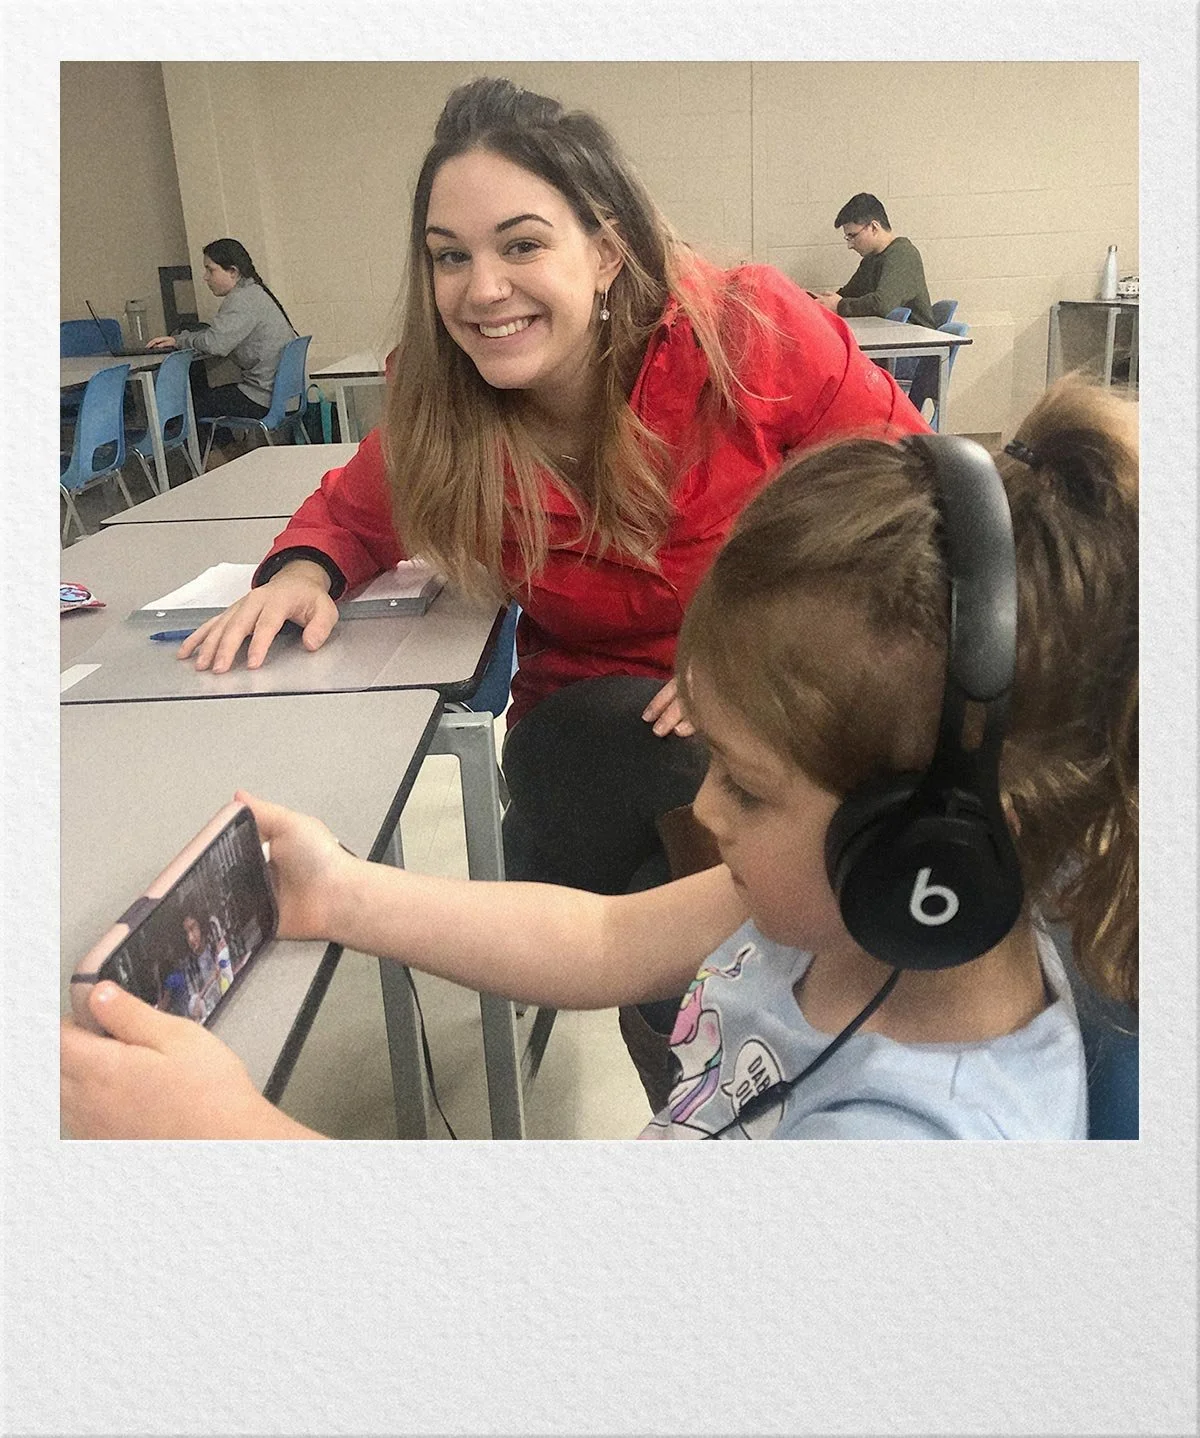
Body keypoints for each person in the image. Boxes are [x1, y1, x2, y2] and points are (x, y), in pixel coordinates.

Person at [60, 376, 1138, 1141]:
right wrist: (342, 893)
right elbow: (606, 935)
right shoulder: (843, 911)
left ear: (928, 844)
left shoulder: (919, 1140)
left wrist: (232, 1140)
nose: (705, 809)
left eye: (749, 785)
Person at [170, 77, 928, 1091]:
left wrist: (752, 659)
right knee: (639, 760)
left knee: (701, 848)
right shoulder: (453, 405)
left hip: (764, 720)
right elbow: (353, 511)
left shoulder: (742, 331)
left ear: (605, 251)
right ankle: (734, 1071)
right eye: (451, 256)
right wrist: (303, 571)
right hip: (585, 760)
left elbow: (914, 499)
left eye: (522, 244)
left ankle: (709, 1068)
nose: (483, 289)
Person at [147, 237, 296, 438]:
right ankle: (223, 453)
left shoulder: (241, 300)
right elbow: (216, 337)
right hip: (283, 395)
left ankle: (211, 462)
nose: (205, 277)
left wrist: (179, 340)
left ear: (233, 272)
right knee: (209, 398)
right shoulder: (255, 291)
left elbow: (216, 344)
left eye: (210, 269)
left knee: (189, 406)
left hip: (262, 398)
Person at [809, 194, 935, 330]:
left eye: (852, 236)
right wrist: (818, 300)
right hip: (893, 337)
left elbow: (881, 304)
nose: (850, 245)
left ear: (874, 227)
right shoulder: (871, 259)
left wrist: (839, 306)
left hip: (917, 344)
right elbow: (847, 294)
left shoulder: (903, 255)